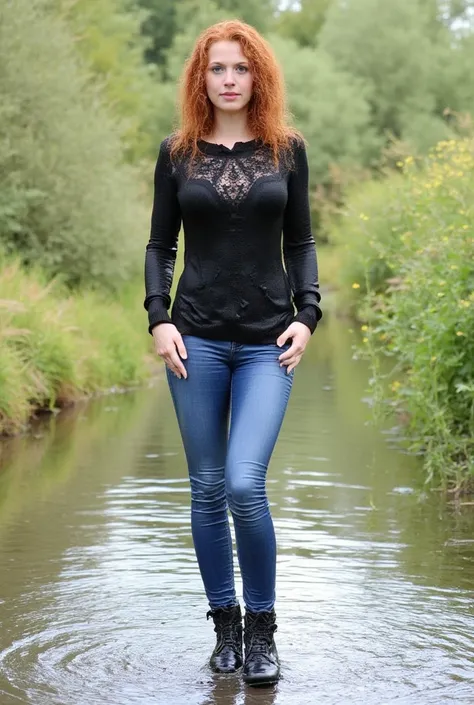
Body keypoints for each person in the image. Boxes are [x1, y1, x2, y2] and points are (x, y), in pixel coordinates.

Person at [143, 18, 322, 686]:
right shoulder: (177, 152)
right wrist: (159, 318)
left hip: (267, 344)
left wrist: (308, 314)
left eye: (239, 68)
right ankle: (224, 625)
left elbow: (301, 241)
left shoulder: (287, 151)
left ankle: (263, 630)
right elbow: (160, 245)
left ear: (258, 76)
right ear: (201, 76)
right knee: (207, 485)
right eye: (216, 68)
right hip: (195, 339)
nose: (227, 79)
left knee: (245, 483)